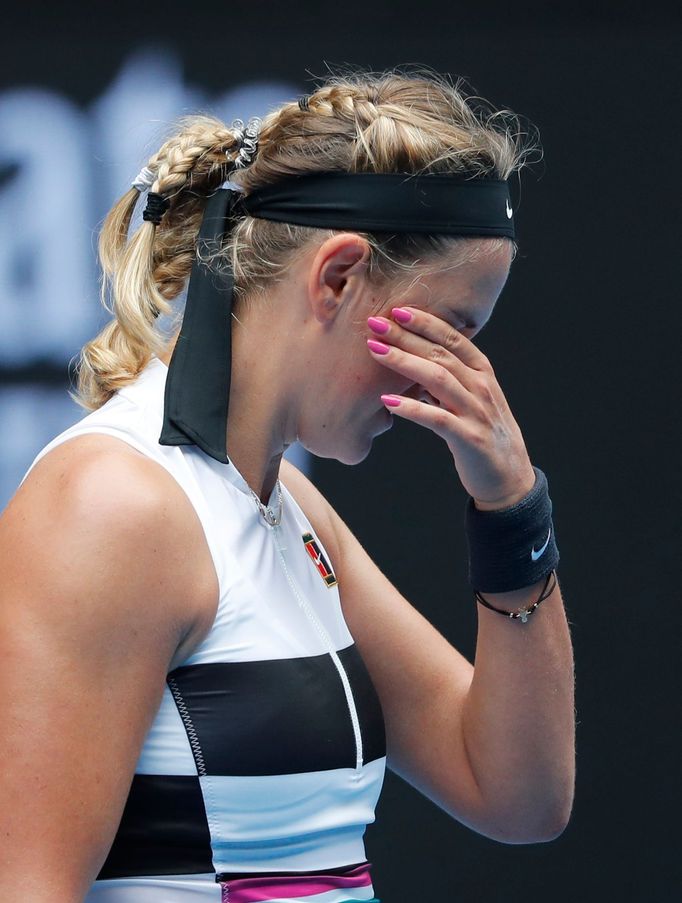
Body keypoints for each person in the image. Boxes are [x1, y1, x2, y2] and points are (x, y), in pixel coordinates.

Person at [0, 67, 575, 903]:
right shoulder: (112, 507)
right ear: (338, 277)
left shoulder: (290, 510)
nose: (444, 382)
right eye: (449, 332)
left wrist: (512, 507)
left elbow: (517, 794)